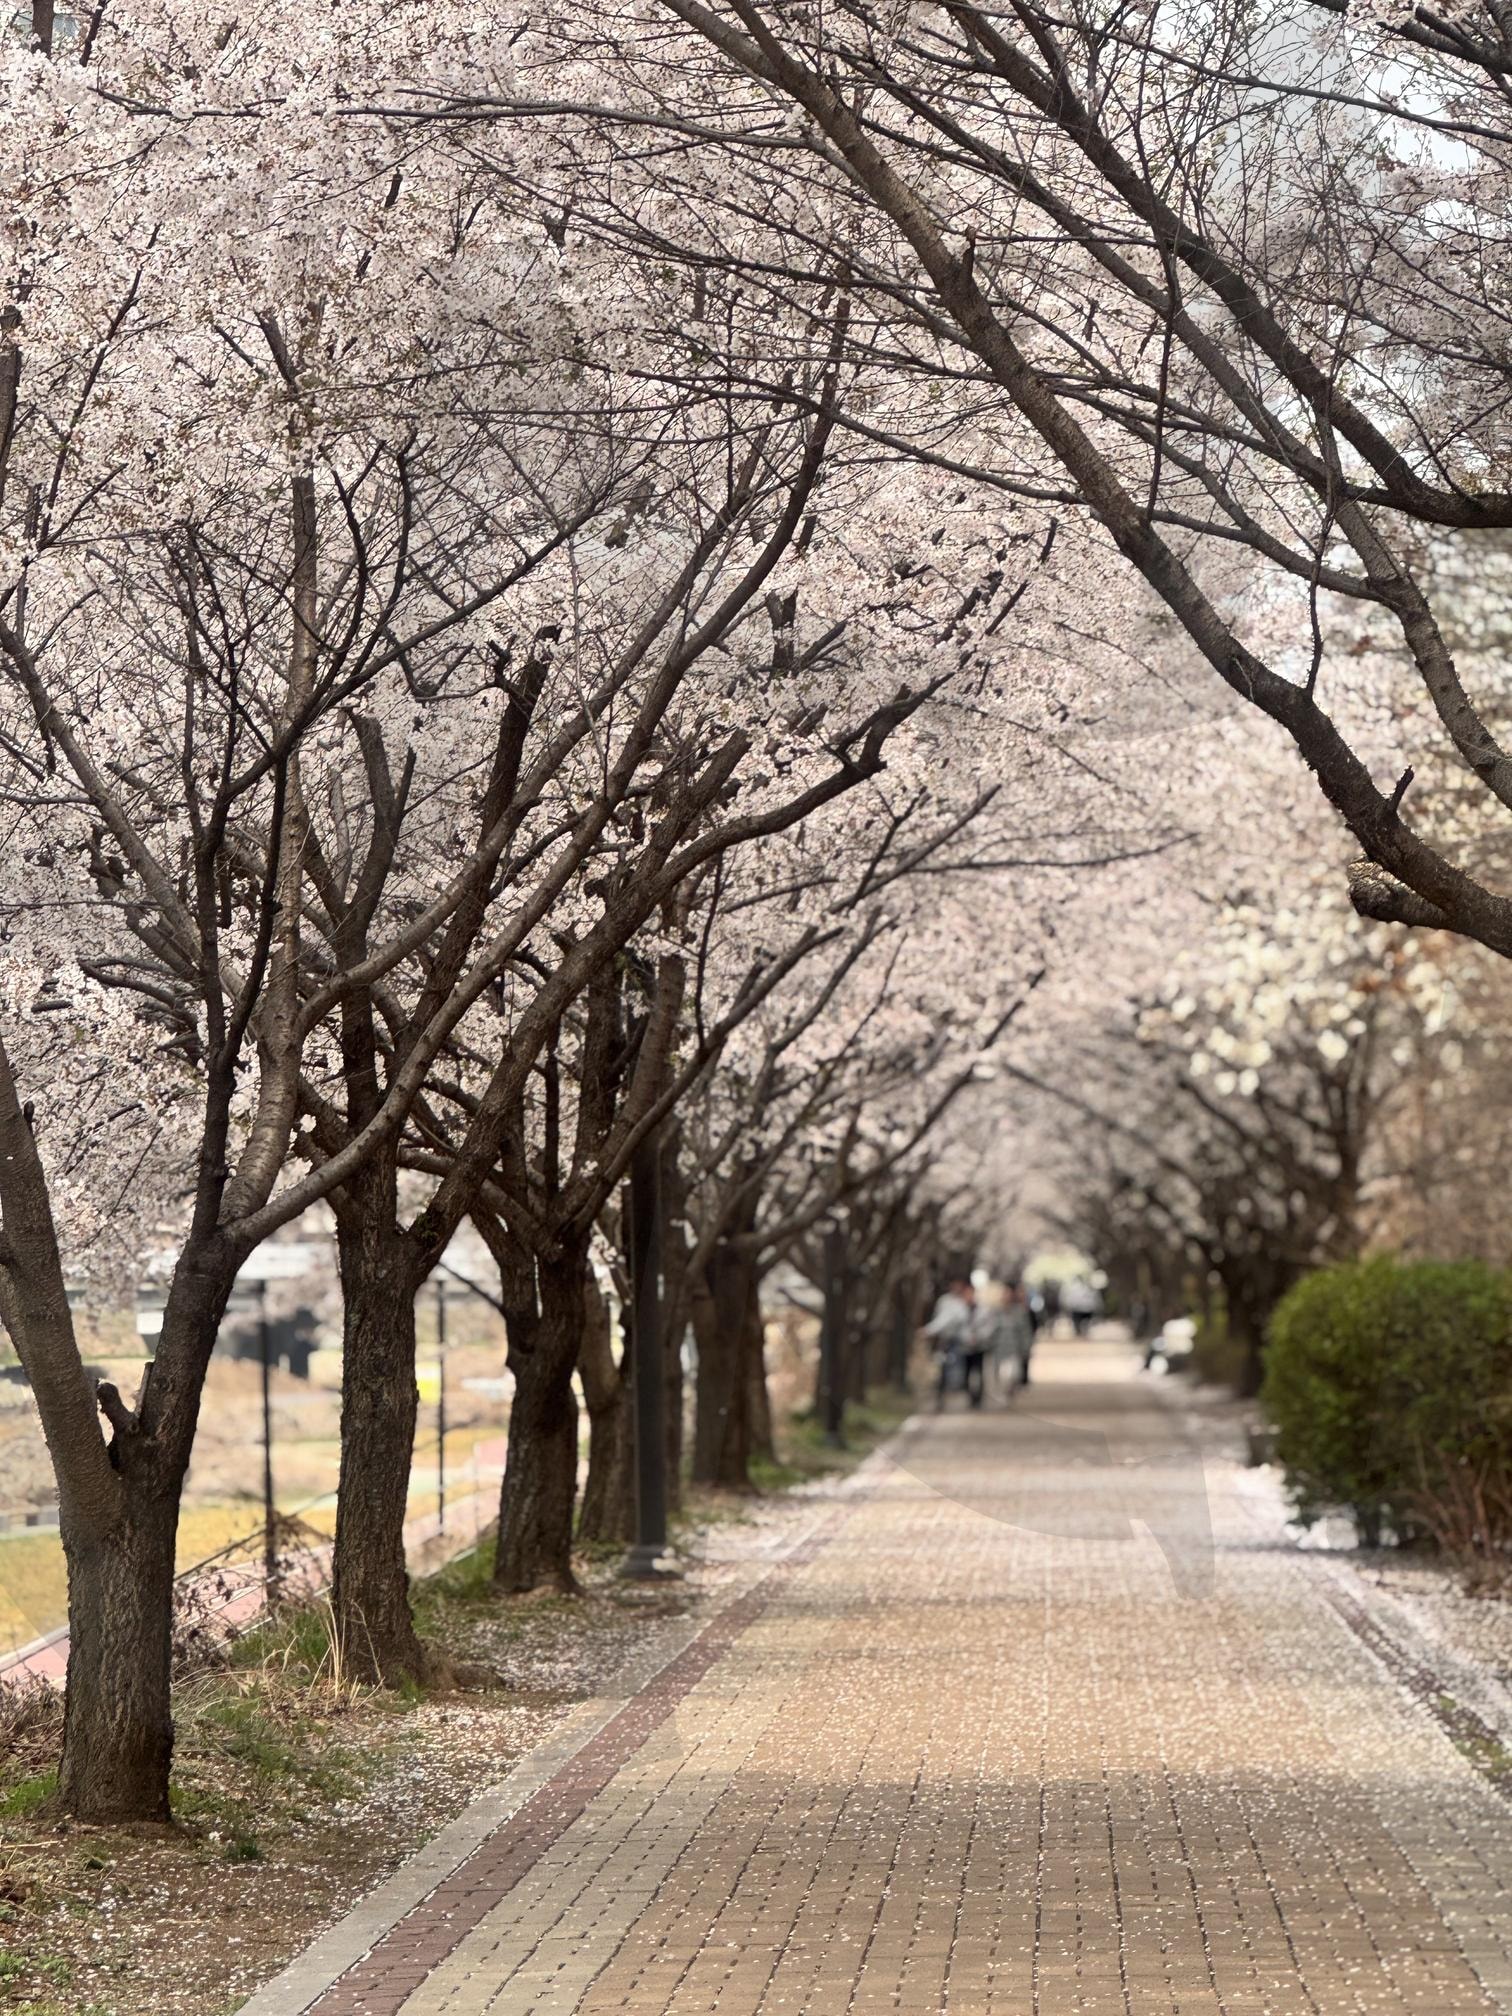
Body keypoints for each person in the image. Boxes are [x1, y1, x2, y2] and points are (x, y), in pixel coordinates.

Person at [923, 1276, 975, 1410]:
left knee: (955, 1371)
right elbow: (942, 1319)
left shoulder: (962, 1303)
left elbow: (964, 1324)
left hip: (957, 1342)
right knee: (944, 1369)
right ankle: (941, 1398)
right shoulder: (945, 1301)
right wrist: (930, 1330)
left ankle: (951, 1396)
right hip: (945, 1341)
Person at [999, 1279, 1036, 1390]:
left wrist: (1026, 1348)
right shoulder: (996, 1311)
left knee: (1011, 1375)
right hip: (999, 1350)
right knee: (1001, 1377)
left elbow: (1025, 1331)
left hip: (1014, 1349)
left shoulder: (1020, 1312)